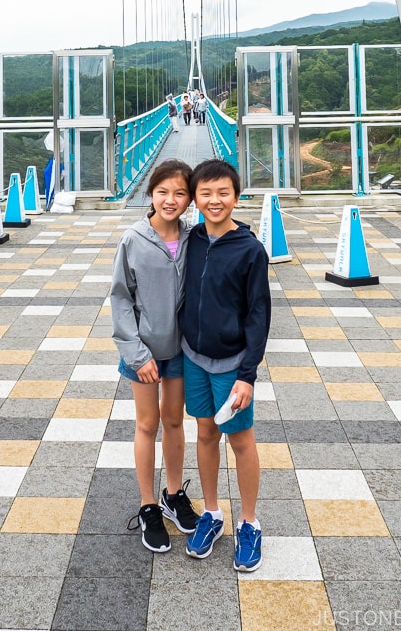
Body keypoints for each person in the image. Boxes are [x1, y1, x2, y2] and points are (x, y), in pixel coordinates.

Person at [179, 159, 271, 572]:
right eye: (206, 193)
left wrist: (248, 375)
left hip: (232, 363)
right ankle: (212, 514)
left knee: (240, 440)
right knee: (204, 432)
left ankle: (249, 522)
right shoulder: (192, 238)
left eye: (223, 193)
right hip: (194, 357)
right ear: (194, 199)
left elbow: (258, 316)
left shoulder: (250, 250)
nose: (214, 201)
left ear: (236, 196)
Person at [110, 159, 200, 552]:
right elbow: (120, 299)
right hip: (143, 352)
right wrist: (136, 353)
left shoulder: (195, 238)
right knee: (147, 425)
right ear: (151, 193)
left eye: (180, 193)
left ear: (189, 199)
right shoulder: (133, 239)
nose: (171, 199)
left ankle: (174, 494)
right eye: (163, 191)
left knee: (175, 422)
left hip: (180, 350)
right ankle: (148, 505)